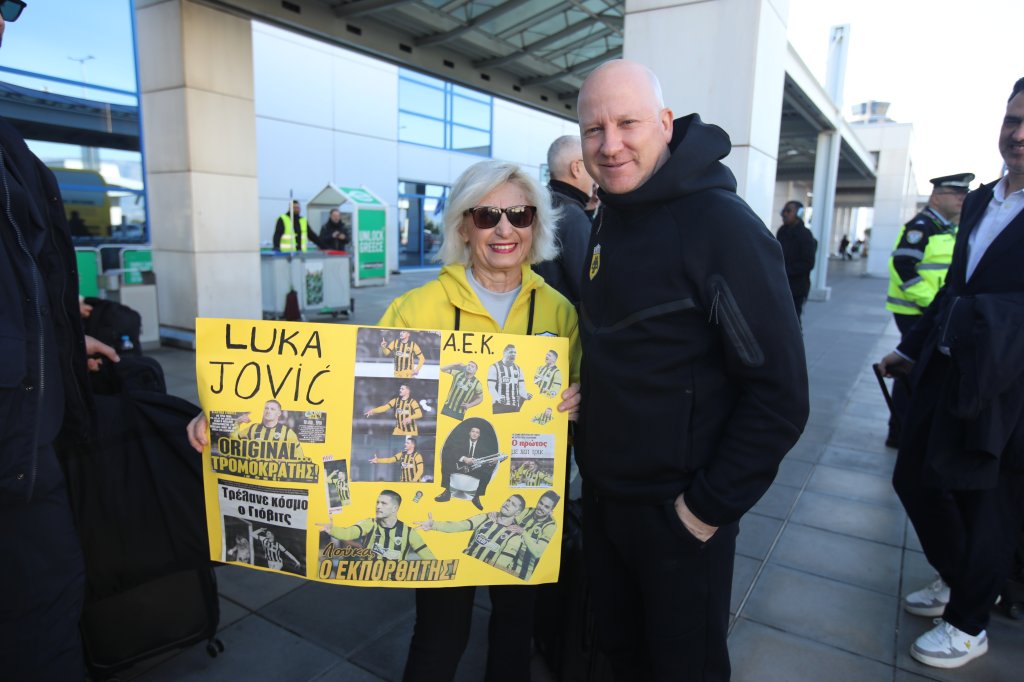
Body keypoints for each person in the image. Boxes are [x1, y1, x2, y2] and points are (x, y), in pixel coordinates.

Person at [575, 60, 808, 681]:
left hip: (676, 518)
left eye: (627, 123)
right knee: (620, 658)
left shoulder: (721, 226)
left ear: (666, 123)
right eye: (594, 129)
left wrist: (702, 511)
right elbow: (633, 347)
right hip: (605, 502)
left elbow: (780, 395)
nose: (610, 144)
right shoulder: (611, 214)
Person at [375, 158, 581, 682]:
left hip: (524, 499)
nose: (505, 229)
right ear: (464, 227)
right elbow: (358, 397)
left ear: (535, 225)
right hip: (439, 498)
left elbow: (587, 389)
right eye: (488, 215)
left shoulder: (560, 312)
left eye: (519, 214)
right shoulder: (415, 309)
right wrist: (223, 418)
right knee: (439, 636)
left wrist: (583, 397)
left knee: (515, 632)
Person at [878, 77, 1024, 670]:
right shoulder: (983, 201)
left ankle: (968, 622)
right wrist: (911, 349)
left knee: (986, 502)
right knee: (914, 476)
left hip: (1006, 385)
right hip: (945, 368)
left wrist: (978, 319)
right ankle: (958, 575)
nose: (1018, 134)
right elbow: (952, 291)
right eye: (1013, 119)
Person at [0, 5, 121, 677]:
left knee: (48, 614)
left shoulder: (11, 150)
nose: (3, 24)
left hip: (28, 452)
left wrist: (62, 338)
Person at [884, 172, 975, 447]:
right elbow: (903, 266)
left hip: (928, 311)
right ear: (936, 197)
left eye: (964, 193)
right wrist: (932, 303)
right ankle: (900, 431)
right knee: (910, 369)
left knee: (916, 369)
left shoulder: (947, 228)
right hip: (915, 311)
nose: (962, 198)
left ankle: (905, 429)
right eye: (955, 193)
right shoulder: (922, 226)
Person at [533, 135, 594, 305]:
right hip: (564, 317)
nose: (595, 174)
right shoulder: (572, 216)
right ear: (576, 168)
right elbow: (589, 287)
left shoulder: (536, 206)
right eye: (590, 164)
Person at [416, 494, 526, 570]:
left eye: (513, 504)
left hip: (482, 575)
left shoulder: (515, 536)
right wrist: (434, 525)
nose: (507, 504)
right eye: (508, 500)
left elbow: (500, 565)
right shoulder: (485, 518)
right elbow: (459, 526)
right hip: (463, 567)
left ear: (517, 513)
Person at [318, 490, 434, 561]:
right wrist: (333, 530)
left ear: (394, 508)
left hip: (394, 583)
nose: (378, 506)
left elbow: (430, 559)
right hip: (367, 579)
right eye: (377, 502)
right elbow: (349, 532)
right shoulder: (370, 523)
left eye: (383, 503)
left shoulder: (409, 532)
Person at [433, 419, 501, 510]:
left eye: (477, 432)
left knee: (487, 471)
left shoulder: (483, 446)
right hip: (460, 466)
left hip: (475, 469)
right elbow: (452, 452)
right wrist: (464, 458)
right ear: (469, 433)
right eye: (473, 431)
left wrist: (493, 462)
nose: (474, 434)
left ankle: (476, 497)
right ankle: (447, 492)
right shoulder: (462, 442)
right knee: (447, 462)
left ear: (479, 435)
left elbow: (486, 461)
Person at [776, 200, 818, 322]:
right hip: (781, 285)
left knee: (793, 321)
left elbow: (808, 263)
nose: (784, 214)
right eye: (784, 211)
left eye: (788, 211)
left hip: (797, 288)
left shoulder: (805, 235)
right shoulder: (782, 231)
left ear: (799, 213)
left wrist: (786, 270)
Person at [504, 490, 560, 580]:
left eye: (546, 507)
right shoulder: (527, 511)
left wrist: (523, 532)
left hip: (522, 572)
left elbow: (537, 552)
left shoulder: (550, 526)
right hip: (505, 561)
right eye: (541, 503)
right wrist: (496, 515)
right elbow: (507, 521)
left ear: (551, 510)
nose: (541, 507)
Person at [488, 343, 531, 413]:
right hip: (499, 405)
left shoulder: (518, 369)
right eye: (511, 352)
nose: (513, 354)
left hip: (515, 406)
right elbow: (491, 387)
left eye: (515, 352)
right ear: (504, 353)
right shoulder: (494, 367)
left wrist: (526, 395)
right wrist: (498, 398)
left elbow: (521, 389)